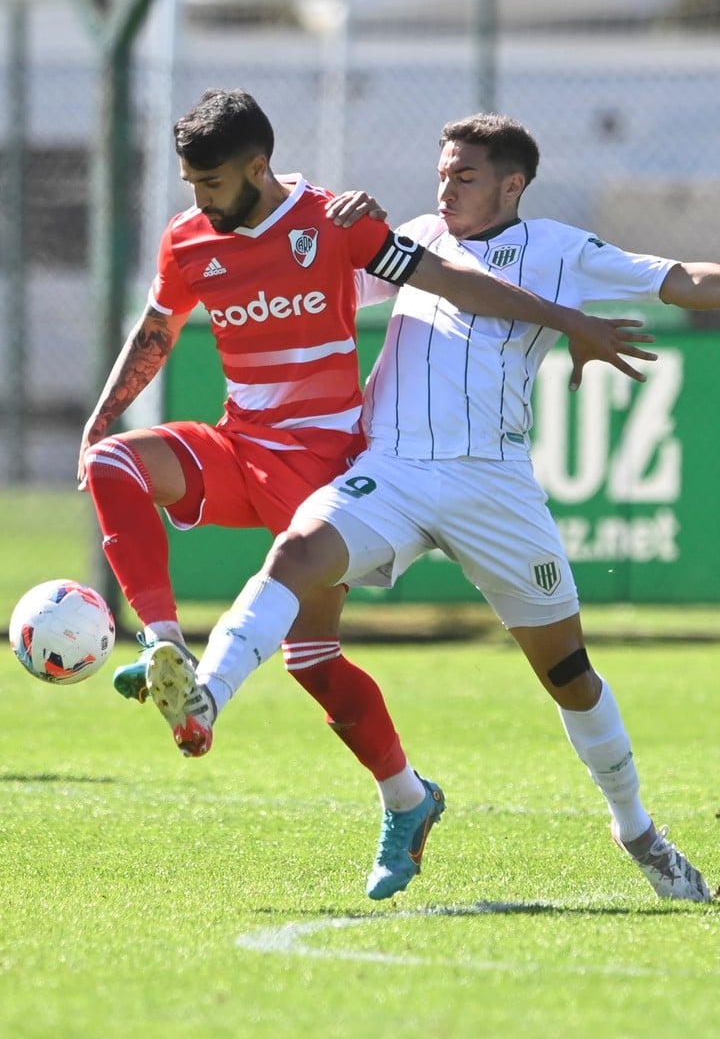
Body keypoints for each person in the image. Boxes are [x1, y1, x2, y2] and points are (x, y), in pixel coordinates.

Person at [79, 90, 655, 902]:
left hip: (327, 468)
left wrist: (570, 320)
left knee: (312, 659)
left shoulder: (334, 225)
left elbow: (454, 281)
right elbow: (154, 336)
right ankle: (165, 649)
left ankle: (406, 799)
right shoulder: (188, 241)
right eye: (188, 184)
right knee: (112, 463)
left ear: (255, 168)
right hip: (241, 446)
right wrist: (97, 422)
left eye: (209, 183)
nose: (197, 199)